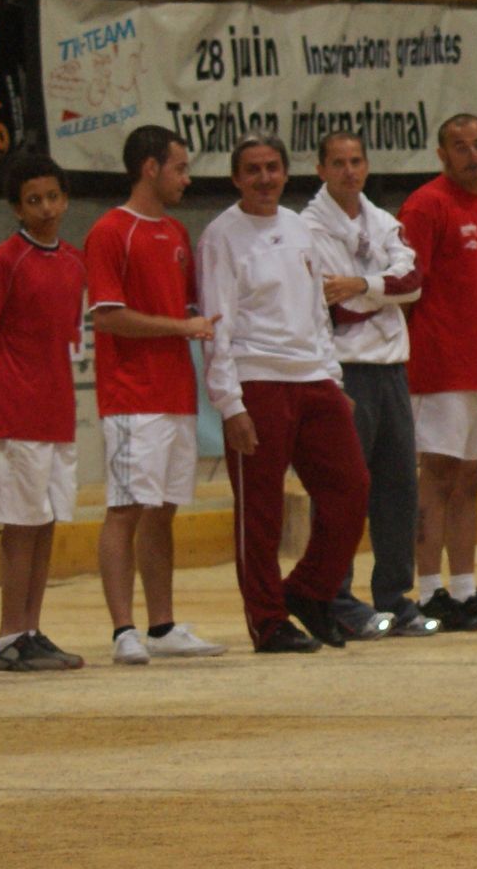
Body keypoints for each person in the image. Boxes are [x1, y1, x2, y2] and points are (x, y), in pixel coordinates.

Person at [202, 136, 372, 655]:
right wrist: (230, 404)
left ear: (286, 172)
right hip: (256, 380)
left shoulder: (300, 229)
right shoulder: (221, 236)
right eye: (253, 170)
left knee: (351, 490)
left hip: (313, 379)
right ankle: (267, 620)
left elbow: (318, 311)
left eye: (273, 168)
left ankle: (308, 590)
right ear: (236, 178)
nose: (264, 178)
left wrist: (332, 379)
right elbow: (216, 324)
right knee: (261, 512)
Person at [87, 124, 224, 664]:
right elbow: (108, 317)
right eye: (180, 168)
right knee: (125, 509)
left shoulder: (177, 233)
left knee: (163, 511)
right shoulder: (110, 231)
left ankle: (162, 626)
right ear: (150, 168)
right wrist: (180, 329)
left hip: (176, 395)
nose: (187, 179)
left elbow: (187, 310)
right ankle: (123, 630)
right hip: (132, 396)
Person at [396, 112, 477, 632]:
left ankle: (465, 589)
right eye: (461, 146)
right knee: (438, 475)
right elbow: (407, 288)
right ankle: (430, 592)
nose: (474, 155)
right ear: (442, 154)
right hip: (438, 368)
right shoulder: (425, 205)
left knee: (471, 477)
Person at [0, 156, 90, 671]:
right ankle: (8, 637)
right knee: (19, 526)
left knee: (46, 522)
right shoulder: (3, 260)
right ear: (17, 208)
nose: (46, 209)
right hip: (18, 412)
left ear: (66, 199)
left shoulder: (75, 262)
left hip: (58, 414)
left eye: (53, 197)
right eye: (34, 200)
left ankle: (31, 629)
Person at [304, 131, 424, 638]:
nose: (349, 171)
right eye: (338, 163)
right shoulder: (309, 228)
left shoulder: (383, 221)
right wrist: (380, 291)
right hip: (345, 370)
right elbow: (333, 307)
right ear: (321, 170)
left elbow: (412, 282)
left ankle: (394, 596)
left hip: (392, 368)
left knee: (399, 487)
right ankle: (334, 596)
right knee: (343, 488)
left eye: (356, 161)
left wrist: (360, 285)